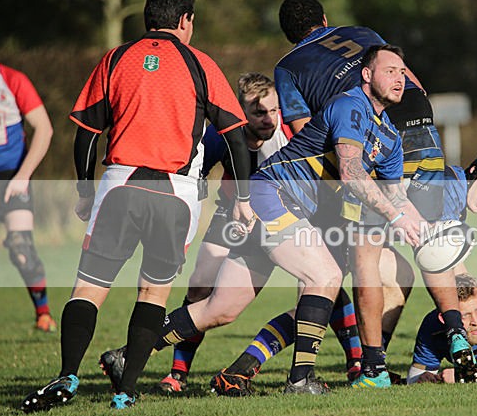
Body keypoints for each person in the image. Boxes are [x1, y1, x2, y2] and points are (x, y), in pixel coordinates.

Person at [99, 44, 421, 396]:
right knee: (325, 275)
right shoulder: (350, 105)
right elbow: (351, 170)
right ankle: (301, 380)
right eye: (390, 70)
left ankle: (125, 356)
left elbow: (397, 195)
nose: (399, 78)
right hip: (274, 194)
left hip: (283, 207)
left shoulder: (389, 137)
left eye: (403, 73)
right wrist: (395, 216)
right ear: (367, 74)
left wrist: (422, 227)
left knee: (220, 309)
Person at [20, 0, 251, 412]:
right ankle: (125, 391)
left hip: (121, 184)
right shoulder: (201, 64)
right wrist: (243, 198)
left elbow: (87, 134)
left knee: (88, 289)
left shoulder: (116, 58)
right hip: (178, 194)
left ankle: (68, 375)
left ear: (147, 18)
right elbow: (237, 137)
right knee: (153, 294)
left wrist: (86, 190)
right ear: (185, 21)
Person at [276, 0, 477, 389]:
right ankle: (456, 331)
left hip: (372, 136)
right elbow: (408, 80)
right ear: (325, 18)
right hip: (421, 126)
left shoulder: (287, 67)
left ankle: (372, 370)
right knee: (429, 237)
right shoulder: (361, 32)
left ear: (289, 36)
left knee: (365, 255)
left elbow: (307, 138)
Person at [215, 150, 477, 393]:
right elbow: (440, 264)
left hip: (358, 228)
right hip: (345, 223)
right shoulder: (451, 185)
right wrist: (472, 299)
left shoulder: (455, 193)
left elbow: (448, 264)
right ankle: (242, 368)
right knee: (315, 308)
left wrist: (475, 295)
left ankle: (371, 366)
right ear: (473, 173)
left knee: (396, 277)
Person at [153, 73, 361, 393]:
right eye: (258, 112)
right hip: (233, 213)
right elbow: (193, 182)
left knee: (321, 282)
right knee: (200, 288)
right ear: (240, 110)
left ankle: (355, 361)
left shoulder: (291, 130)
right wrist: (180, 234)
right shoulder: (219, 135)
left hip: (288, 210)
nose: (268, 119)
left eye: (274, 111)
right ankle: (178, 372)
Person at [0, 16, 56, 332]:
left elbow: (44, 129)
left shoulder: (13, 81)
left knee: (20, 248)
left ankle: (43, 313)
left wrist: (23, 176)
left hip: (11, 179)